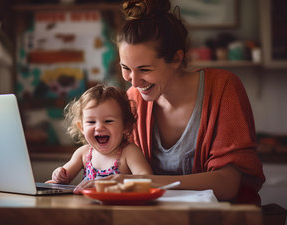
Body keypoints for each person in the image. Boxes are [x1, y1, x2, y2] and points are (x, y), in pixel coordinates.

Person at [74, 0, 265, 205]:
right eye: (126, 67)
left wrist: (145, 181)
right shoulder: (132, 99)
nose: (134, 81)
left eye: (145, 69)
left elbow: (228, 185)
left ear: (176, 59)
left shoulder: (223, 88)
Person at [47, 84, 152, 184]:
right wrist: (59, 174)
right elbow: (65, 178)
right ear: (82, 128)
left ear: (125, 125)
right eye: (91, 122)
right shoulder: (83, 154)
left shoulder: (129, 152)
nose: (99, 127)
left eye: (108, 121)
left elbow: (147, 179)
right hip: (86, 203)